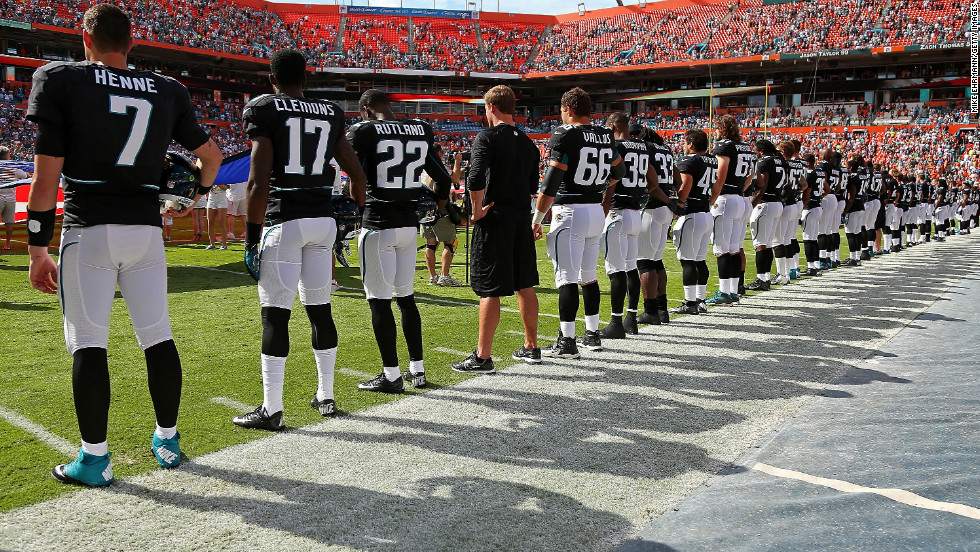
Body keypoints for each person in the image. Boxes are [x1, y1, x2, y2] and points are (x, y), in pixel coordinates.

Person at [25, 3, 222, 485]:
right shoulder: (166, 88)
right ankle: (168, 440)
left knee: (89, 344)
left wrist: (36, 248)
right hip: (145, 233)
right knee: (158, 335)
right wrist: (193, 196)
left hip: (88, 228)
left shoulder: (60, 79)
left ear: (85, 39)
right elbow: (211, 157)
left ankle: (94, 459)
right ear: (131, 43)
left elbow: (45, 179)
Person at [233, 49, 366, 430]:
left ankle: (271, 408)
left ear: (272, 80)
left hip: (285, 221)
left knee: (276, 316)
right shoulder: (329, 111)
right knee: (320, 310)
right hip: (323, 222)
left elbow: (258, 182)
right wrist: (355, 214)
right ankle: (326, 394)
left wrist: (251, 240)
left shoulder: (264, 108)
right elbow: (356, 174)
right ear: (305, 79)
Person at [347, 89, 451, 392]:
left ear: (366, 110)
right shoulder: (418, 129)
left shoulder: (364, 131)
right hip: (409, 227)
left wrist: (360, 205)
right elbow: (443, 180)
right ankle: (417, 370)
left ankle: (391, 374)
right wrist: (439, 210)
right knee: (406, 300)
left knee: (379, 303)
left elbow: (357, 178)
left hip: (378, 225)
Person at [452, 85, 541, 373]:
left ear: (491, 107)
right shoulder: (528, 143)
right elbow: (531, 188)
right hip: (520, 219)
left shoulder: (487, 137)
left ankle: (483, 356)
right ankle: (531, 346)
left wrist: (476, 210)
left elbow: (475, 176)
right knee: (524, 284)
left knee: (489, 287)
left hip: (495, 218)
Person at [535, 87, 624, 358]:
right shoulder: (604, 135)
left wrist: (537, 219)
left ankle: (567, 342)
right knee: (589, 276)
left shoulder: (565, 134)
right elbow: (619, 171)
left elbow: (550, 183)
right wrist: (599, 187)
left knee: (567, 279)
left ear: (569, 110)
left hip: (570, 213)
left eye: (562, 110)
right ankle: (592, 334)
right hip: (595, 210)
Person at [598, 114, 663, 337]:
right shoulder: (644, 147)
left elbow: (613, 178)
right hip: (636, 213)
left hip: (617, 211)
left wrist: (604, 205)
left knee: (615, 270)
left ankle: (616, 323)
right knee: (630, 268)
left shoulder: (615, 146)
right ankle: (631, 319)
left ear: (614, 126)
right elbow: (652, 180)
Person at [706, 115, 754, 305]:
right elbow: (750, 175)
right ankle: (733, 291)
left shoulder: (724, 146)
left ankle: (724, 292)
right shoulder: (746, 148)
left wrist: (712, 199)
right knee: (734, 248)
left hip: (725, 200)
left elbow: (720, 176)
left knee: (721, 249)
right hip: (741, 199)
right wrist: (740, 190)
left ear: (721, 128)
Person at [668, 130, 717, 315]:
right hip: (705, 213)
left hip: (691, 215)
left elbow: (685, 185)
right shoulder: (711, 160)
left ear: (690, 143)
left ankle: (690, 303)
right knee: (699, 260)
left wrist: (677, 207)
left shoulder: (690, 161)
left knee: (688, 261)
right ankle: (700, 300)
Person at [635, 126, 677, 326]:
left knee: (645, 262)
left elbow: (649, 181)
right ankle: (662, 310)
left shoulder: (644, 148)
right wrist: (677, 201)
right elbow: (679, 177)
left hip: (651, 206)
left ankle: (650, 311)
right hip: (665, 209)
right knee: (657, 261)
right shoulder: (666, 149)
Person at [745, 140, 787, 291]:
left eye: (756, 150)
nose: (755, 153)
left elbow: (761, 187)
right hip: (777, 203)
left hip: (765, 204)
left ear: (761, 151)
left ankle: (762, 279)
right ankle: (766, 278)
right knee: (767, 244)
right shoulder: (780, 161)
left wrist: (749, 207)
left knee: (761, 245)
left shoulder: (764, 162)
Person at [421, 142, 464, 287]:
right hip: (440, 208)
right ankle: (444, 276)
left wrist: (461, 169)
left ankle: (433, 276)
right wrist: (457, 162)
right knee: (449, 243)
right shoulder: (436, 166)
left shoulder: (421, 167)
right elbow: (454, 179)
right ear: (437, 152)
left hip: (425, 209)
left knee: (430, 244)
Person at [800, 153, 828, 276]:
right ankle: (816, 265)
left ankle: (811, 267)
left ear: (809, 163)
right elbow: (827, 189)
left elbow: (807, 192)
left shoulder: (810, 174)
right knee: (813, 238)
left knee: (808, 239)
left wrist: (802, 205)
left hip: (810, 207)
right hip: (818, 206)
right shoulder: (820, 172)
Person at [841, 155, 869, 266]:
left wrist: (845, 210)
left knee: (850, 233)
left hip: (854, 206)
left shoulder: (853, 177)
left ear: (851, 168)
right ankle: (857, 257)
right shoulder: (862, 176)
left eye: (847, 167)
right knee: (857, 233)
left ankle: (853, 258)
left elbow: (851, 196)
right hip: (861, 205)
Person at [0, 146, 28, 250]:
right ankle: (7, 244)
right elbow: (24, 176)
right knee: (9, 223)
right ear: (7, 156)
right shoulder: (13, 167)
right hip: (10, 198)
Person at [205, 182, 229, 250]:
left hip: (221, 199)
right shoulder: (211, 176)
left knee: (222, 222)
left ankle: (224, 244)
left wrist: (218, 183)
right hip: (211, 199)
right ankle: (212, 244)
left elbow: (226, 188)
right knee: (210, 222)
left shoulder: (223, 176)